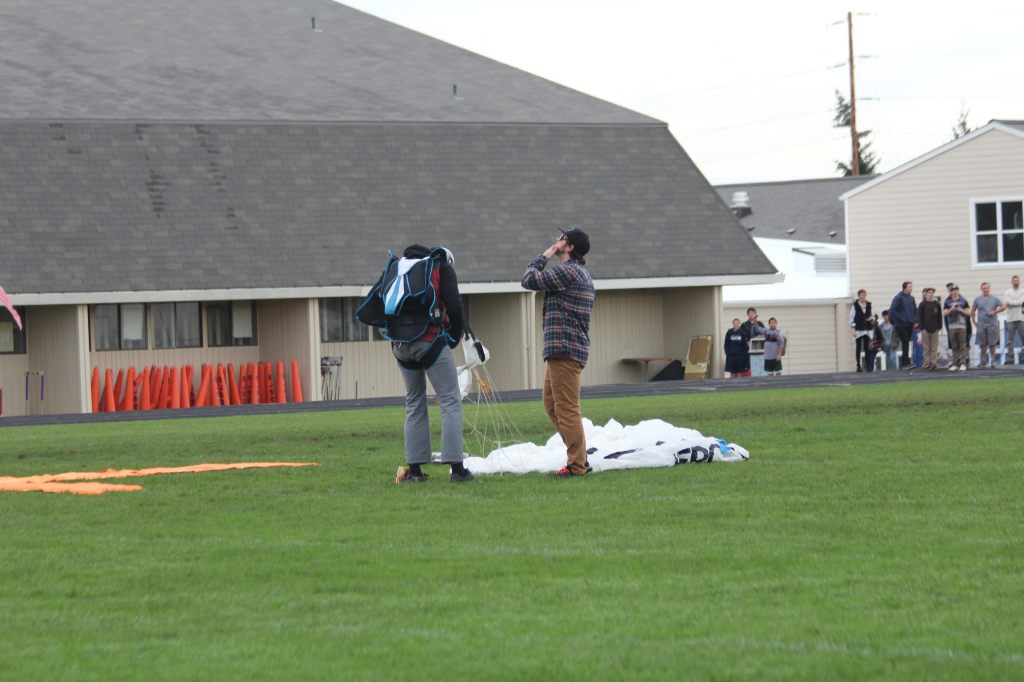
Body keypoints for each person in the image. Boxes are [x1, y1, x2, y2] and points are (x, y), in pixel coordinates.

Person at [387, 245, 472, 483]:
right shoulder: (439, 267)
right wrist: (454, 336)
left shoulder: (397, 270)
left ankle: (415, 472)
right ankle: (457, 469)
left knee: (414, 402)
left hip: (400, 345)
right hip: (429, 341)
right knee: (449, 400)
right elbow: (454, 306)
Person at [522, 227, 595, 478]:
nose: (557, 240)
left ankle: (577, 466)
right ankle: (579, 458)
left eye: (562, 239)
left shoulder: (569, 271)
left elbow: (529, 280)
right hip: (562, 350)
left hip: (565, 348)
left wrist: (545, 255)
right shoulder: (573, 272)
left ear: (570, 247)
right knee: (552, 404)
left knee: (566, 408)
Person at [972, 282, 1005, 368]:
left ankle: (992, 361)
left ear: (989, 289)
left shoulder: (995, 298)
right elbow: (972, 310)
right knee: (982, 344)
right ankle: (983, 361)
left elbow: (1003, 307)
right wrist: (974, 322)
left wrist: (995, 311)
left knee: (992, 344)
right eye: (983, 288)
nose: (985, 290)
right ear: (981, 289)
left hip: (992, 324)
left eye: (987, 288)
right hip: (981, 324)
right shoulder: (977, 299)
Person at [889, 281, 917, 369]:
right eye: (909, 287)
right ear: (905, 288)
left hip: (910, 324)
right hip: (900, 324)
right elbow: (892, 310)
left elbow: (915, 310)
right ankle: (905, 363)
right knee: (905, 342)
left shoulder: (911, 298)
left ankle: (906, 362)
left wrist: (914, 319)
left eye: (911, 287)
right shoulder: (898, 297)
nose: (911, 288)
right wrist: (901, 318)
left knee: (907, 343)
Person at [945, 282, 973, 367]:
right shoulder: (947, 301)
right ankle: (955, 363)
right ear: (950, 291)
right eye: (952, 290)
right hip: (952, 326)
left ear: (958, 291)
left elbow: (968, 313)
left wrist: (960, 309)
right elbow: (945, 313)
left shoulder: (963, 301)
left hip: (962, 326)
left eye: (956, 290)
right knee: (954, 346)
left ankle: (963, 363)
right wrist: (952, 309)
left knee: (962, 345)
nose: (954, 292)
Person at [917, 287, 943, 370]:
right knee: (926, 347)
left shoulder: (937, 304)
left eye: (932, 293)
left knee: (934, 347)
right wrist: (922, 328)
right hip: (925, 329)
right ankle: (927, 363)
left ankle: (934, 363)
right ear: (926, 294)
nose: (931, 294)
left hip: (935, 329)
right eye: (929, 292)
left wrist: (939, 327)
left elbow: (939, 316)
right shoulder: (922, 304)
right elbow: (920, 317)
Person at [850, 289, 873, 371]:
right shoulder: (855, 305)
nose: (863, 296)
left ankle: (868, 365)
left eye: (864, 295)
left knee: (867, 348)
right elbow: (851, 317)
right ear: (859, 296)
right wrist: (853, 329)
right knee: (858, 348)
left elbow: (873, 315)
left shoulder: (869, 305)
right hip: (858, 329)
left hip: (867, 328)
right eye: (861, 295)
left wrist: (871, 319)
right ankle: (858, 365)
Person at [1003, 275, 1024, 365]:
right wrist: (1016, 302)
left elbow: (1021, 302)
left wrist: (1011, 303)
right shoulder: (1007, 292)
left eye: (1017, 280)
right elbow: (1007, 302)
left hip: (1021, 318)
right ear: (1012, 282)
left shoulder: (1023, 291)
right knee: (1010, 341)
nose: (1015, 282)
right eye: (1014, 280)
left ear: (1019, 281)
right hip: (1010, 319)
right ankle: (1010, 359)